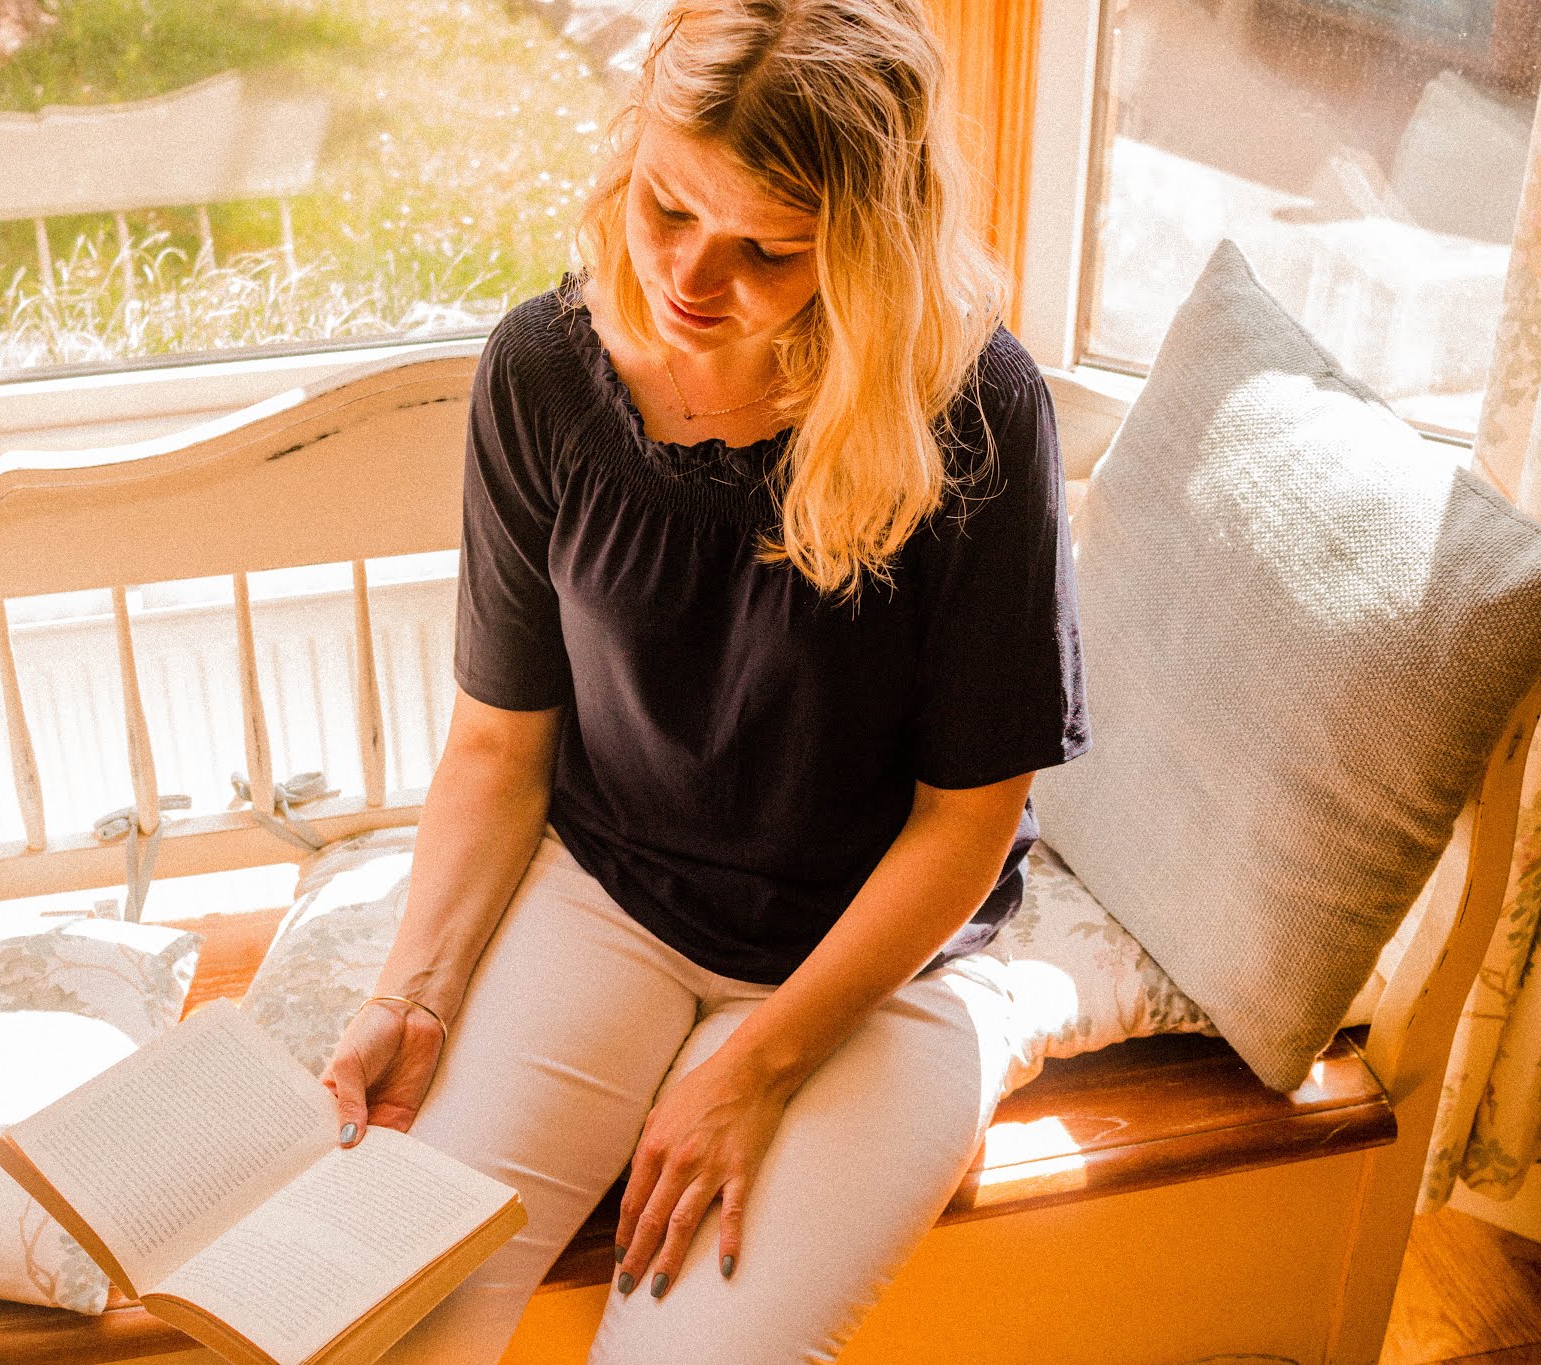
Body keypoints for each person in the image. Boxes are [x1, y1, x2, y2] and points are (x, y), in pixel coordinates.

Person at [323, 2, 1087, 1360]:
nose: (687, 275)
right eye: (668, 206)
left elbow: (969, 820)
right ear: (635, 149)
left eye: (768, 250)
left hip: (878, 962)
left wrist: (754, 1066)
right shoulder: (543, 375)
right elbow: (501, 746)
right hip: (610, 892)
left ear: (869, 244)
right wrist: (418, 991)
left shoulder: (974, 412)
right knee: (397, 1329)